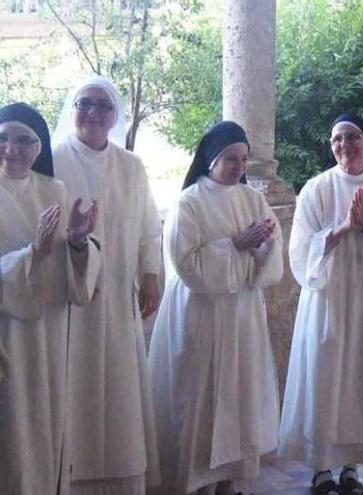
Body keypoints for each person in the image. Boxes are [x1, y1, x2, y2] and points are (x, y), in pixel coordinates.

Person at [279, 113, 363, 495]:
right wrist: (340, 230)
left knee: (361, 379)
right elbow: (300, 252)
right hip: (328, 300)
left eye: (353, 137)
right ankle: (321, 467)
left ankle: (351, 467)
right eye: (338, 139)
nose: (345, 145)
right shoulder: (316, 189)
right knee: (325, 377)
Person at [148, 121, 283, 495]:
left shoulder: (253, 199)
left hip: (241, 312)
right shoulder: (188, 202)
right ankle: (197, 481)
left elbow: (272, 250)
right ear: (211, 160)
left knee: (238, 394)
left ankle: (228, 479)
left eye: (243, 159)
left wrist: (261, 248)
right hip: (202, 314)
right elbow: (185, 262)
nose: (239, 167)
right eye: (230, 159)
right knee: (201, 396)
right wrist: (235, 244)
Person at [52, 75, 163, 495]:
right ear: (73, 109)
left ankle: (120, 474)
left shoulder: (131, 166)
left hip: (118, 295)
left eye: (103, 106)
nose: (94, 114)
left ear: (115, 115)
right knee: (73, 383)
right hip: (68, 299)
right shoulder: (55, 161)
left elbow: (150, 228)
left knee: (119, 386)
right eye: (85, 104)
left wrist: (150, 272)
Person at [0, 102, 99, 495]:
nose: (12, 149)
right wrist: (33, 253)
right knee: (12, 430)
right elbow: (38, 253)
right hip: (6, 334)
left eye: (24, 140)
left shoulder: (54, 190)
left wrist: (77, 241)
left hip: (49, 332)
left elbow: (73, 265)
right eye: (4, 138)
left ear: (39, 148)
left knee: (45, 424)